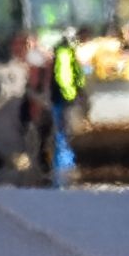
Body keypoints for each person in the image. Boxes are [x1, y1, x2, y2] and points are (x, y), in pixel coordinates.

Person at [50, 29, 85, 185]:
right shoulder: (64, 53)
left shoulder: (64, 51)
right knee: (63, 132)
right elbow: (64, 77)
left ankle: (64, 165)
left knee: (63, 132)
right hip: (63, 99)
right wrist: (71, 97)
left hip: (61, 98)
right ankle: (65, 167)